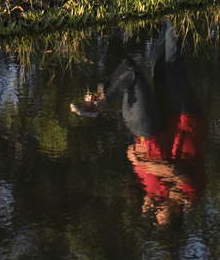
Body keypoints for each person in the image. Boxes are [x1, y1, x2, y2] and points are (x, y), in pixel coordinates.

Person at [70, 18, 207, 226]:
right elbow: (174, 171)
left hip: (169, 122)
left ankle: (168, 17)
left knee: (157, 65)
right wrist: (142, 163)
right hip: (187, 120)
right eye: (163, 211)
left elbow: (151, 184)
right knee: (172, 68)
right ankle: (179, 15)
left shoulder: (168, 192)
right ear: (177, 212)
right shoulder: (192, 194)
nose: (160, 206)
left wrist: (147, 202)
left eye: (159, 210)